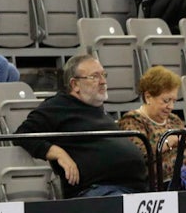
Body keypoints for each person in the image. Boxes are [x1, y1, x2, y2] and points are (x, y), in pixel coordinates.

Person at [17, 55, 149, 196]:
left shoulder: (97, 110)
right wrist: (59, 153)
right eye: (94, 77)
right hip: (99, 190)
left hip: (134, 189)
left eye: (104, 75)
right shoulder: (58, 106)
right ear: (75, 84)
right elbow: (23, 134)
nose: (103, 82)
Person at [117, 65, 186, 181]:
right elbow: (139, 157)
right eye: (166, 101)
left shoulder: (174, 120)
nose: (171, 106)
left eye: (173, 101)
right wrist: (169, 142)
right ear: (148, 97)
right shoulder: (132, 120)